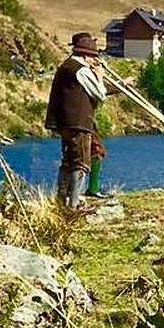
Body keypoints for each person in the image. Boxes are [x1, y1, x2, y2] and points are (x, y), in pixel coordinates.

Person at [44, 32, 120, 210]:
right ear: (87, 55)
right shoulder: (81, 69)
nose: (94, 60)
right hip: (77, 123)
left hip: (67, 122)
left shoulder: (67, 66)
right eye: (93, 56)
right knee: (81, 163)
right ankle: (74, 204)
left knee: (70, 160)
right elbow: (99, 94)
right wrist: (100, 75)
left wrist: (119, 86)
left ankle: (62, 201)